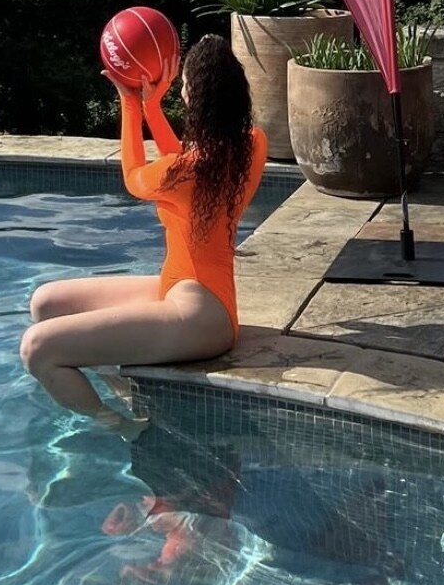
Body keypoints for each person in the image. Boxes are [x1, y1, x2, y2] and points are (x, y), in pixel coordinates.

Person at [19, 33, 268, 436]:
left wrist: (131, 103)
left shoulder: (189, 170)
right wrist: (152, 106)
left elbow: (135, 175)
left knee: (37, 349)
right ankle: (124, 389)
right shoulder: (251, 145)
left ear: (194, 97)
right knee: (47, 303)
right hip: (189, 294)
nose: (181, 92)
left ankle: (123, 428)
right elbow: (183, 161)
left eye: (184, 86)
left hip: (199, 317)